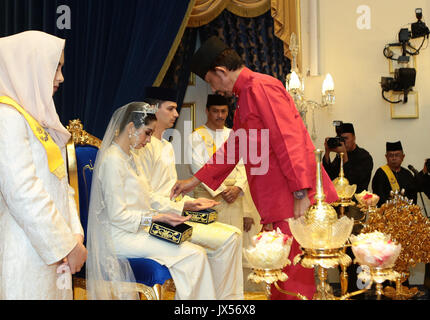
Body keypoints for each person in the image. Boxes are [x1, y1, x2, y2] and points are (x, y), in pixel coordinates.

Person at [170, 36, 338, 300]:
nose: (215, 89)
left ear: (221, 71)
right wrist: (194, 181)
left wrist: (300, 194)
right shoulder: (246, 95)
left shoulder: (261, 87)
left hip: (290, 199)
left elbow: (288, 138)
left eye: (211, 81)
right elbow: (235, 148)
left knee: (292, 281)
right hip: (278, 201)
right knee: (280, 276)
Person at [85, 102, 220, 300]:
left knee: (196, 254)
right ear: (131, 128)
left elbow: (148, 197)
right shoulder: (112, 160)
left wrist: (184, 205)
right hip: (119, 236)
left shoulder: (130, 157)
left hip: (137, 231)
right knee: (194, 256)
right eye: (147, 133)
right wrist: (157, 219)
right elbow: (117, 216)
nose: (149, 140)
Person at [0, 31, 87, 299]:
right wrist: (65, 245)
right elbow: (22, 192)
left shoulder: (40, 119)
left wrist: (75, 236)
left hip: (57, 250)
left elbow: (63, 184)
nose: (61, 77)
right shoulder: (6, 116)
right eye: (55, 67)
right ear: (29, 65)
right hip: (26, 251)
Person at [137, 87, 244, 300]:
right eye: (171, 109)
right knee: (225, 241)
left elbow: (171, 191)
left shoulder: (166, 146)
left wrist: (190, 202)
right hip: (156, 221)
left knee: (233, 236)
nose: (176, 115)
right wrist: (184, 205)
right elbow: (144, 197)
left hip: (176, 213)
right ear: (153, 110)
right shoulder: (142, 147)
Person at [190, 94, 260, 233]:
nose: (220, 115)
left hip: (234, 198)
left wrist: (238, 188)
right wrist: (222, 191)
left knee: (235, 240)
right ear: (207, 111)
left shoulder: (234, 135)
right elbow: (198, 167)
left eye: (223, 111)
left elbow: (245, 166)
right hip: (208, 199)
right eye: (215, 111)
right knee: (210, 243)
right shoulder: (196, 136)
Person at [323, 122, 373, 293]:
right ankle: (345, 290)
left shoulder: (364, 157)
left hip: (355, 211)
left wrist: (345, 156)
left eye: (345, 139)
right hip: (338, 210)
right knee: (340, 250)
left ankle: (359, 290)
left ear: (354, 138)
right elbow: (328, 178)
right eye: (340, 139)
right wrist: (328, 152)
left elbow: (355, 180)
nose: (342, 142)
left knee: (356, 252)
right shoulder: (338, 158)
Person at [372, 141, 418, 206]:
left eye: (397, 155)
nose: (394, 158)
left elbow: (413, 197)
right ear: (386, 157)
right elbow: (378, 196)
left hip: (406, 213)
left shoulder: (408, 174)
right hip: (387, 213)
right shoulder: (380, 173)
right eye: (390, 155)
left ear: (403, 157)